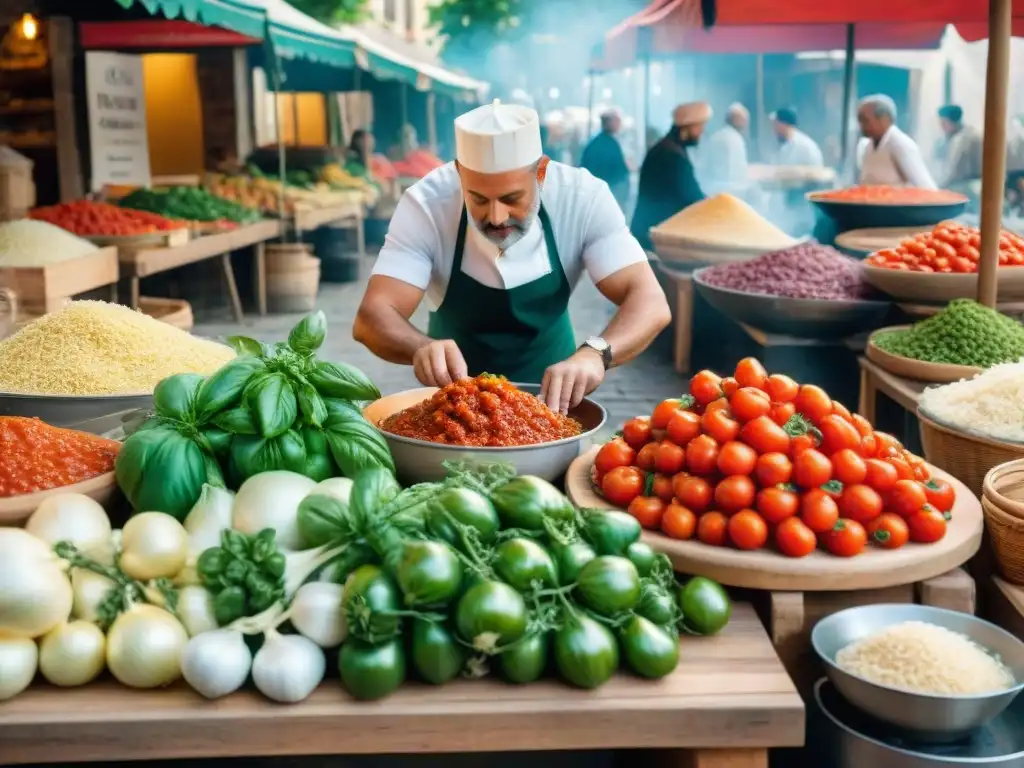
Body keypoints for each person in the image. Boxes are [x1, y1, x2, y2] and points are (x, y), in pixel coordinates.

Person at [353, 99, 671, 414]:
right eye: (477, 198)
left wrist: (595, 354)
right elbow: (373, 316)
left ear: (541, 174)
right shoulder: (426, 204)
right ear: (460, 174)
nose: (496, 216)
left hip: (555, 403)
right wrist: (419, 347)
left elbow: (649, 301)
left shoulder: (583, 197)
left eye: (512, 198)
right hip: (452, 407)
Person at [630, 102, 711, 251]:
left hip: (651, 231)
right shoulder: (671, 155)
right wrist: (713, 208)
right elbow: (690, 195)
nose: (701, 132)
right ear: (686, 128)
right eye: (699, 127)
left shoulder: (668, 148)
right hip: (653, 236)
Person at [855, 95, 936, 188]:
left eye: (865, 120)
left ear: (884, 119)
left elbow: (925, 188)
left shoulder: (900, 144)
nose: (861, 126)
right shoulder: (865, 146)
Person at [580, 110, 631, 211]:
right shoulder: (610, 143)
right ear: (609, 123)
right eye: (617, 121)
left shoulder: (593, 142)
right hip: (608, 190)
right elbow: (619, 170)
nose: (619, 124)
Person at [699, 102, 750, 196]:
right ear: (739, 121)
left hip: (712, 192)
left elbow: (704, 166)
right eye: (745, 121)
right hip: (733, 194)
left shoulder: (715, 137)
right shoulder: (737, 140)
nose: (746, 125)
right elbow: (740, 174)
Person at [935, 105, 983, 189]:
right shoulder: (968, 133)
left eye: (944, 123)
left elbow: (953, 172)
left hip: (968, 184)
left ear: (953, 122)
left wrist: (939, 187)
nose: (942, 127)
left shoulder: (962, 139)